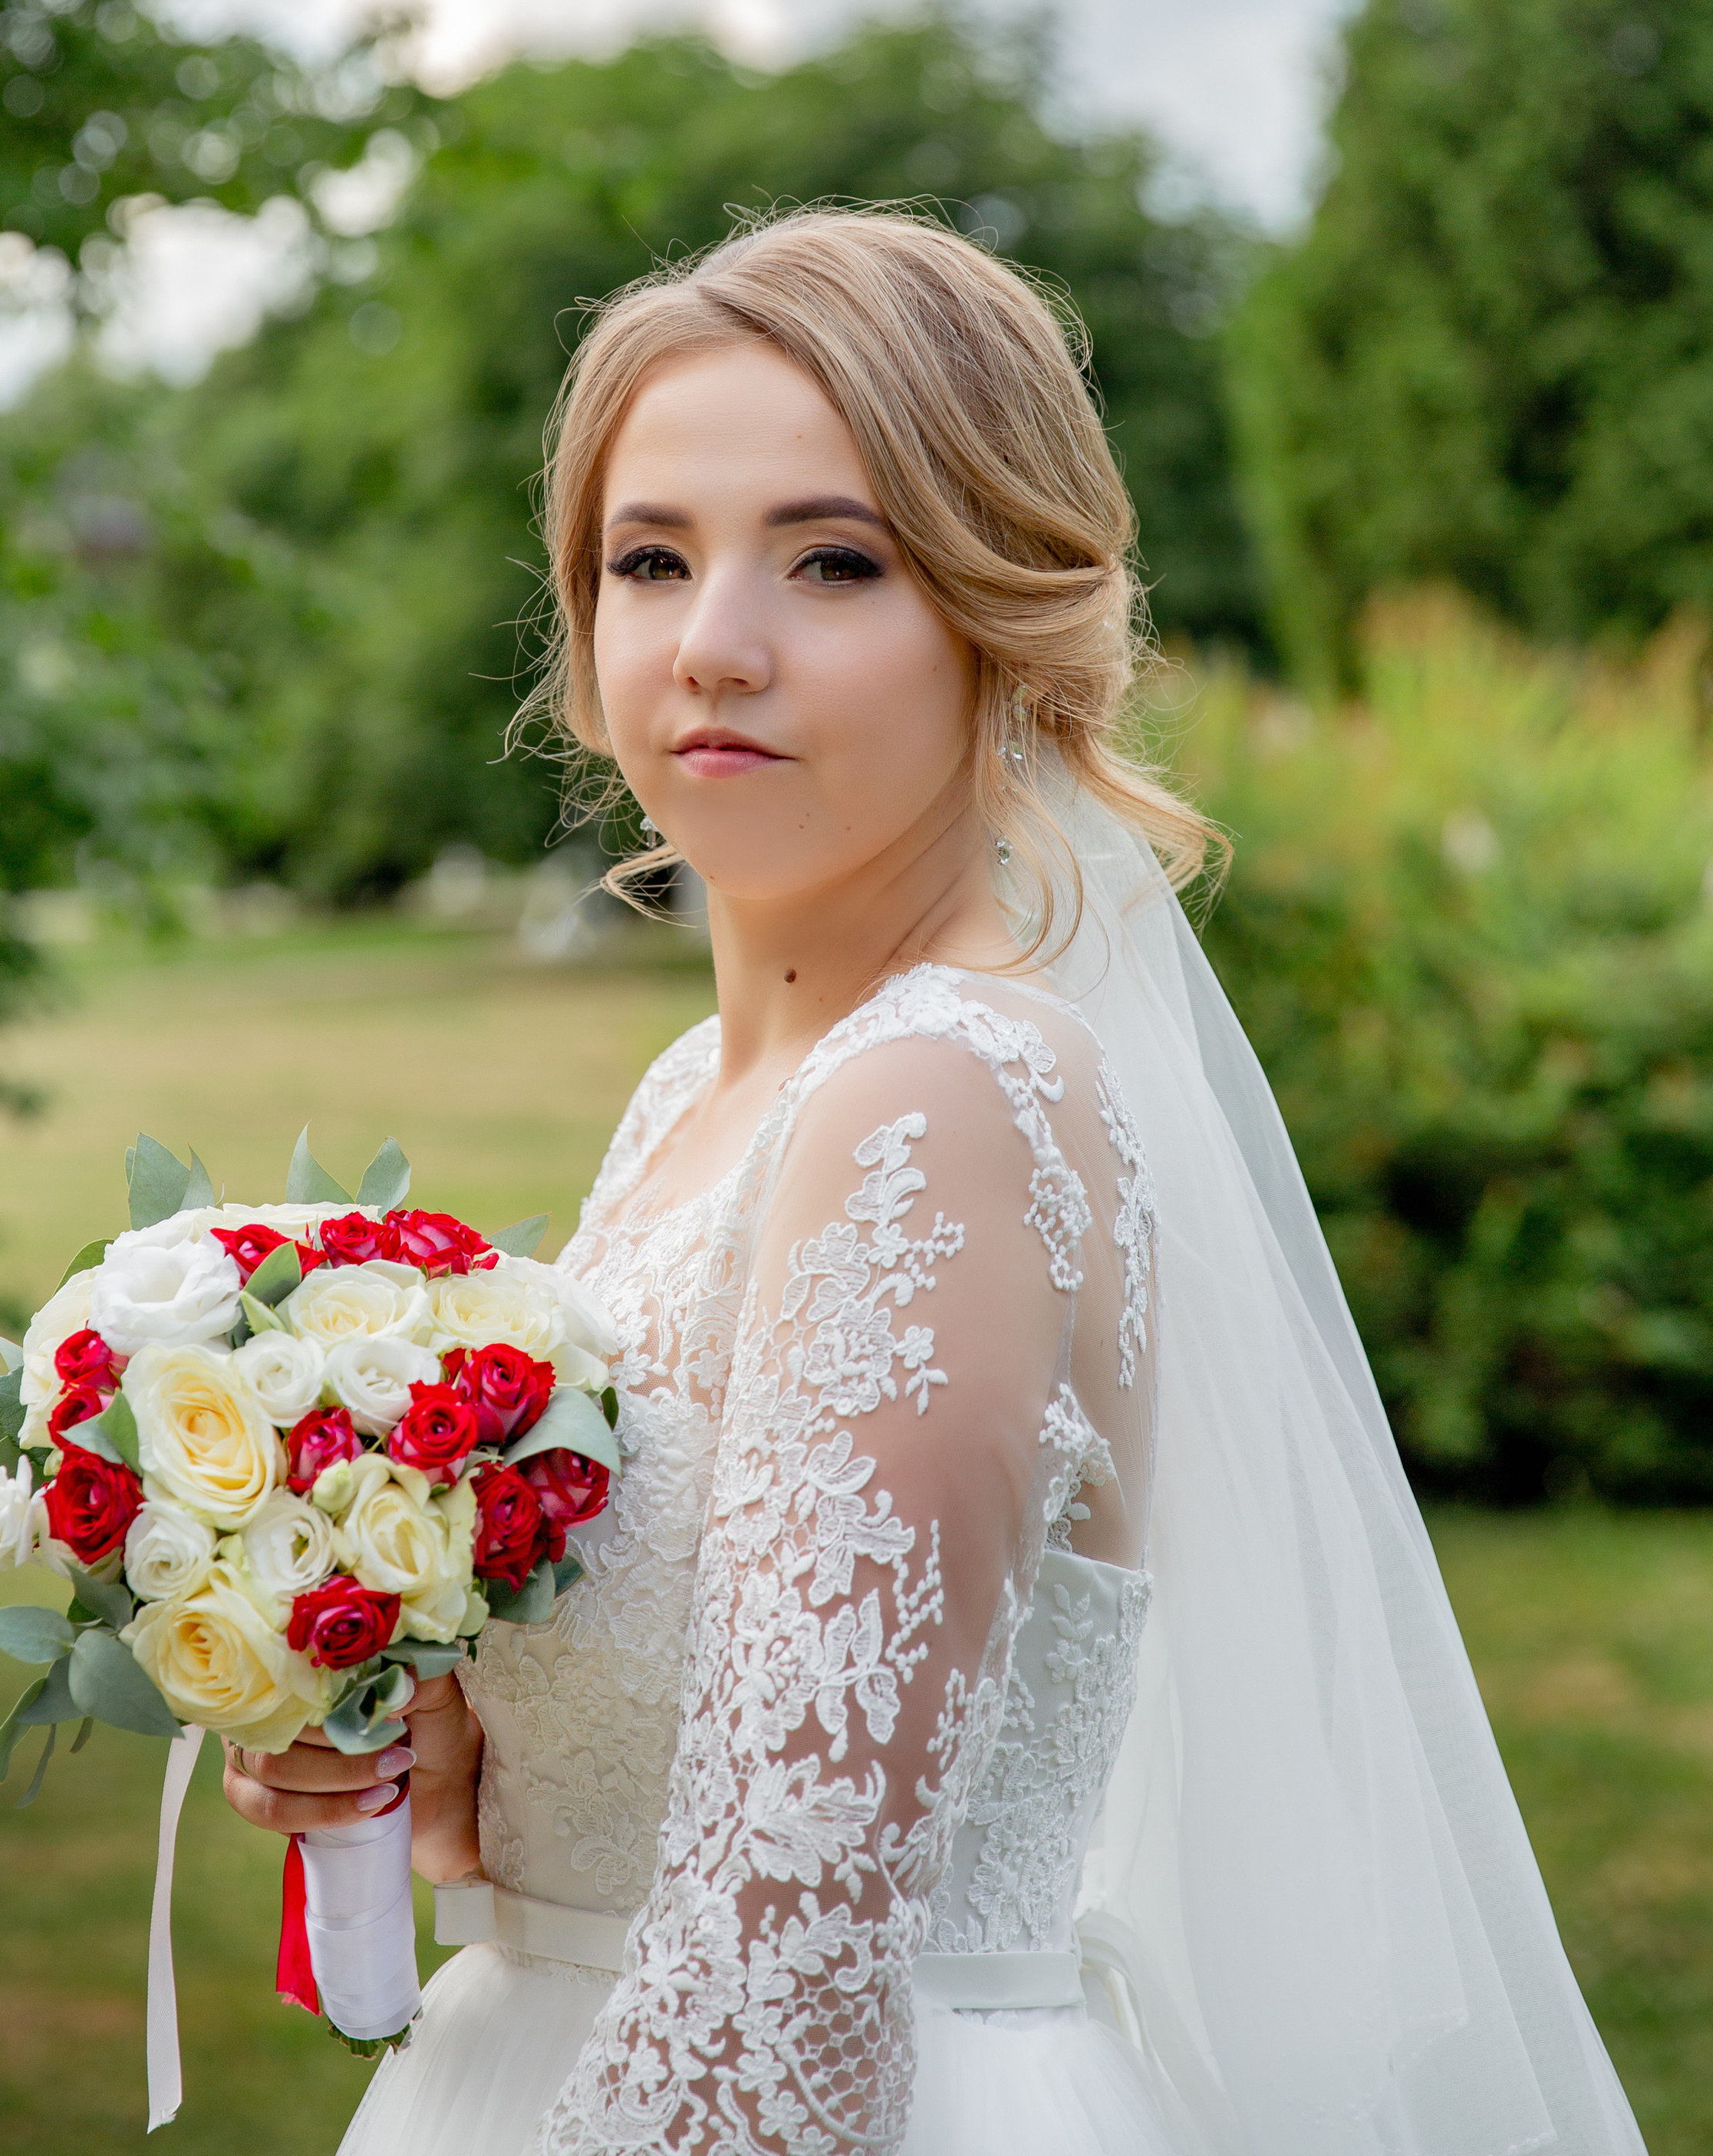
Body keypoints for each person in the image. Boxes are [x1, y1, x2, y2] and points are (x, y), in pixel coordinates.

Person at [223, 209, 1646, 2155]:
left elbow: (781, 1972)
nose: (714, 641)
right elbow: (667, 1745)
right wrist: (419, 1733)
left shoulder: (933, 1099)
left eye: (833, 561)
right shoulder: (696, 1097)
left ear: (1001, 610)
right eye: (649, 560)